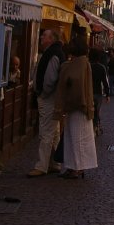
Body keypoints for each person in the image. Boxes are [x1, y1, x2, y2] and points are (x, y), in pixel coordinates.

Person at [54, 38, 97, 179]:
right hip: (78, 106)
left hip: (78, 107)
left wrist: (71, 103)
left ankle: (77, 168)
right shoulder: (80, 62)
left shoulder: (79, 63)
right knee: (73, 137)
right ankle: (73, 166)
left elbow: (76, 84)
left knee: (77, 138)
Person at [27, 29, 65, 177]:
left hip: (49, 98)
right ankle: (55, 163)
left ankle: (42, 166)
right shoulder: (55, 52)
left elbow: (50, 78)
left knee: (46, 132)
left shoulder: (52, 54)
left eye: (44, 36)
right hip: (52, 98)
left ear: (51, 39)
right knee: (54, 132)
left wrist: (42, 93)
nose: (41, 37)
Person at [89, 47, 110, 135]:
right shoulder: (101, 67)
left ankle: (92, 128)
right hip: (98, 92)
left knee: (90, 111)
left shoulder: (88, 66)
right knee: (97, 111)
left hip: (89, 92)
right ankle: (95, 127)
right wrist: (107, 95)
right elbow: (105, 82)